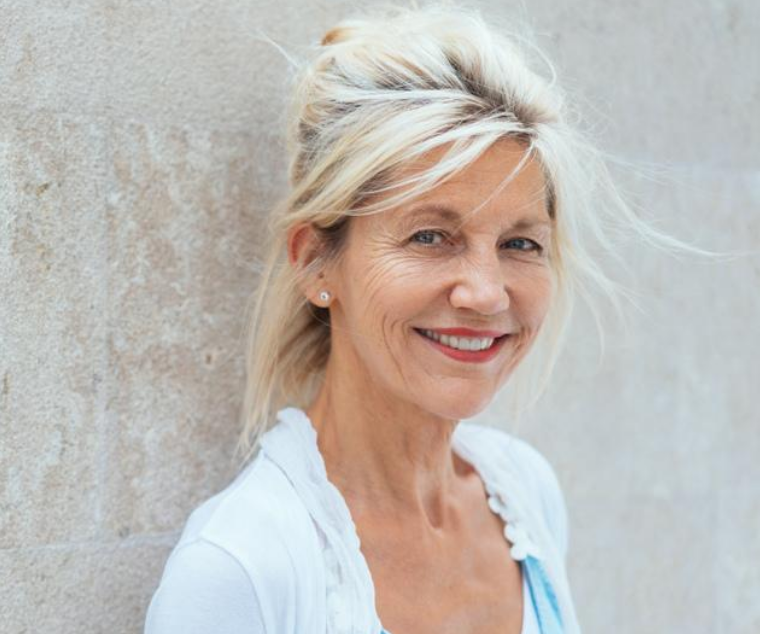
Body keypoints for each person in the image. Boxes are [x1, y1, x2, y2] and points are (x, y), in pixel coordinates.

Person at [143, 3, 705, 633]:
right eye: (431, 236)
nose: (487, 294)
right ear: (315, 263)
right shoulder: (239, 571)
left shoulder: (524, 494)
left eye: (521, 244)